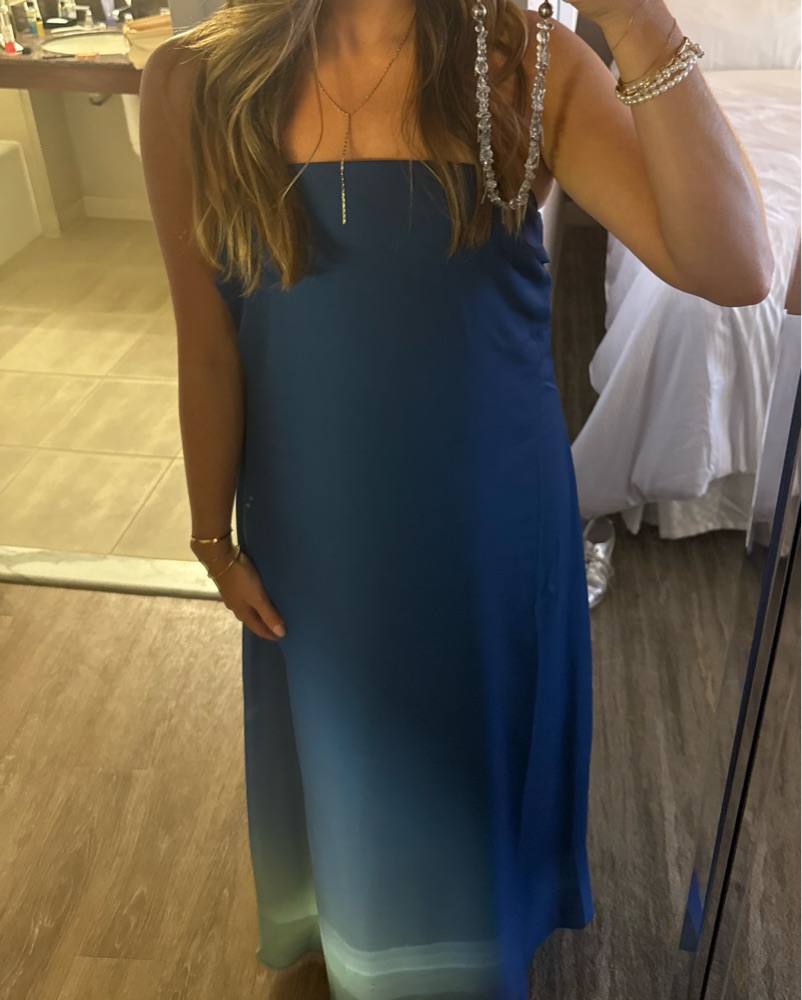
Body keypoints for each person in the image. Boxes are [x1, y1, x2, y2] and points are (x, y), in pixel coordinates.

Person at [138, 1, 772, 998]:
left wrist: (636, 18)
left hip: (492, 530)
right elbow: (207, 343)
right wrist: (211, 536)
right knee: (353, 772)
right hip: (317, 535)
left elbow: (734, 265)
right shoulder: (194, 80)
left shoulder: (526, 63)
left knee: (476, 775)